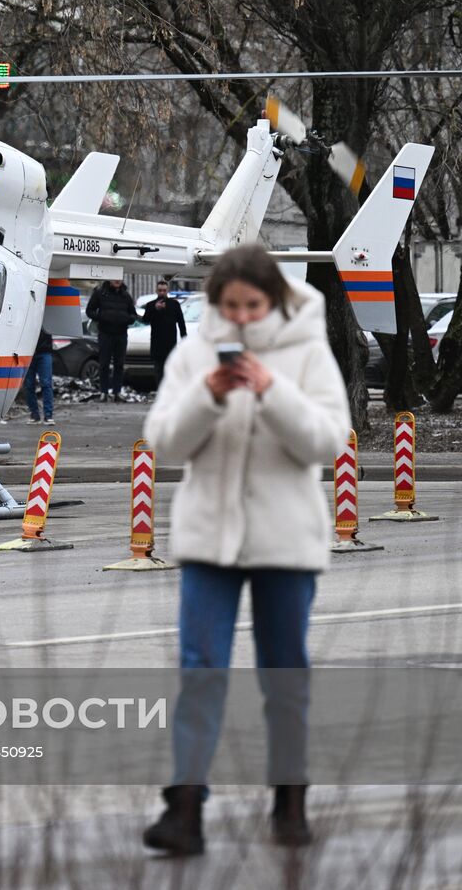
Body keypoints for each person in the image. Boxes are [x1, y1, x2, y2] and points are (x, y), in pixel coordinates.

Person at [141, 245, 349, 856]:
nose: (240, 319)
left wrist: (272, 391)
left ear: (274, 301)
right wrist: (206, 394)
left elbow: (326, 442)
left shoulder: (309, 353)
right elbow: (164, 441)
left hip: (285, 541)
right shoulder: (194, 353)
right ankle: (184, 809)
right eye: (228, 307)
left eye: (251, 306)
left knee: (283, 675)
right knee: (200, 668)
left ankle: (290, 800)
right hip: (209, 539)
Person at [85, 278, 137, 399]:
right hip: (105, 334)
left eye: (119, 278)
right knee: (104, 364)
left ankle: (117, 392)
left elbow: (133, 314)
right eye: (114, 278)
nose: (117, 280)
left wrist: (127, 319)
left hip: (121, 334)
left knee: (119, 364)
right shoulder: (100, 293)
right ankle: (104, 392)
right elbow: (89, 311)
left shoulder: (126, 296)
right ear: (109, 279)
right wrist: (101, 317)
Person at [142, 280, 188, 389]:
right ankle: (160, 391)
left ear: (168, 291)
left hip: (170, 342)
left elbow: (181, 322)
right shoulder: (151, 305)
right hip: (157, 342)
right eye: (160, 290)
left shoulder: (174, 304)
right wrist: (155, 309)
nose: (162, 293)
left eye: (164, 290)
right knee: (158, 369)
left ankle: (170, 391)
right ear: (156, 291)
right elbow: (145, 320)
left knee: (170, 368)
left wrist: (184, 337)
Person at [24, 327, 55, 423]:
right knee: (31, 385)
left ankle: (40, 415)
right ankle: (43, 415)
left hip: (38, 350)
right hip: (39, 350)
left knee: (43, 384)